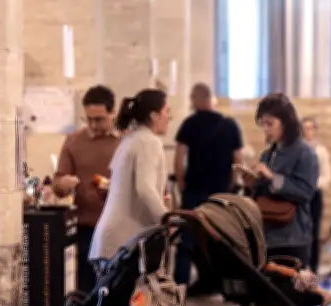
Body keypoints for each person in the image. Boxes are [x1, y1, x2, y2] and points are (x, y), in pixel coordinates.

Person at [89, 89, 171, 270]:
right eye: (167, 111)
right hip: (124, 242)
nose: (169, 118)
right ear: (154, 115)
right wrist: (167, 220)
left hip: (112, 240)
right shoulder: (148, 141)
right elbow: (145, 189)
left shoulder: (131, 139)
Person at [173, 83, 245, 287]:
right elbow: (238, 161)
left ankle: (180, 285)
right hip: (220, 192)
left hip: (195, 190)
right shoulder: (230, 125)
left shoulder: (189, 124)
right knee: (221, 239)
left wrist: (181, 184)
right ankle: (226, 284)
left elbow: (179, 159)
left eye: (191, 99)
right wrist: (230, 186)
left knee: (187, 238)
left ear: (197, 99)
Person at [52, 85, 121, 293]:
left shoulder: (125, 142)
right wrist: (63, 185)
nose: (93, 125)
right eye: (88, 119)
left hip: (119, 226)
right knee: (86, 289)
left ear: (112, 113)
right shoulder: (74, 141)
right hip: (86, 227)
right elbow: (58, 183)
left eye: (99, 119)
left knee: (116, 287)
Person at [243, 93, 318, 266]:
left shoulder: (305, 153)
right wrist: (252, 184)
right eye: (263, 124)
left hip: (293, 237)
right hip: (266, 235)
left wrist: (273, 178)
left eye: (270, 124)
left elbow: (305, 192)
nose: (266, 129)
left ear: (286, 122)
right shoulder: (267, 154)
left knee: (292, 291)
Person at [302, 117, 331, 273]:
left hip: (314, 195)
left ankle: (313, 268)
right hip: (298, 195)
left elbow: (327, 176)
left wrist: (313, 184)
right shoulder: (295, 149)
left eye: (310, 128)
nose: (308, 131)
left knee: (314, 232)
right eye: (305, 128)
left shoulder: (321, 151)